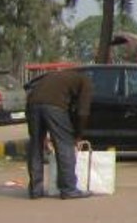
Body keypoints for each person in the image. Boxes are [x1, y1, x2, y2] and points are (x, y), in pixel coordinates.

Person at [25, 67, 95, 200]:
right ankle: (69, 189)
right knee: (64, 145)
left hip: (32, 104)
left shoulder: (60, 76)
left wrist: (39, 135)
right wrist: (78, 136)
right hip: (54, 106)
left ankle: (35, 190)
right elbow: (83, 112)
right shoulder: (86, 82)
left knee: (35, 147)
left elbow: (32, 95)